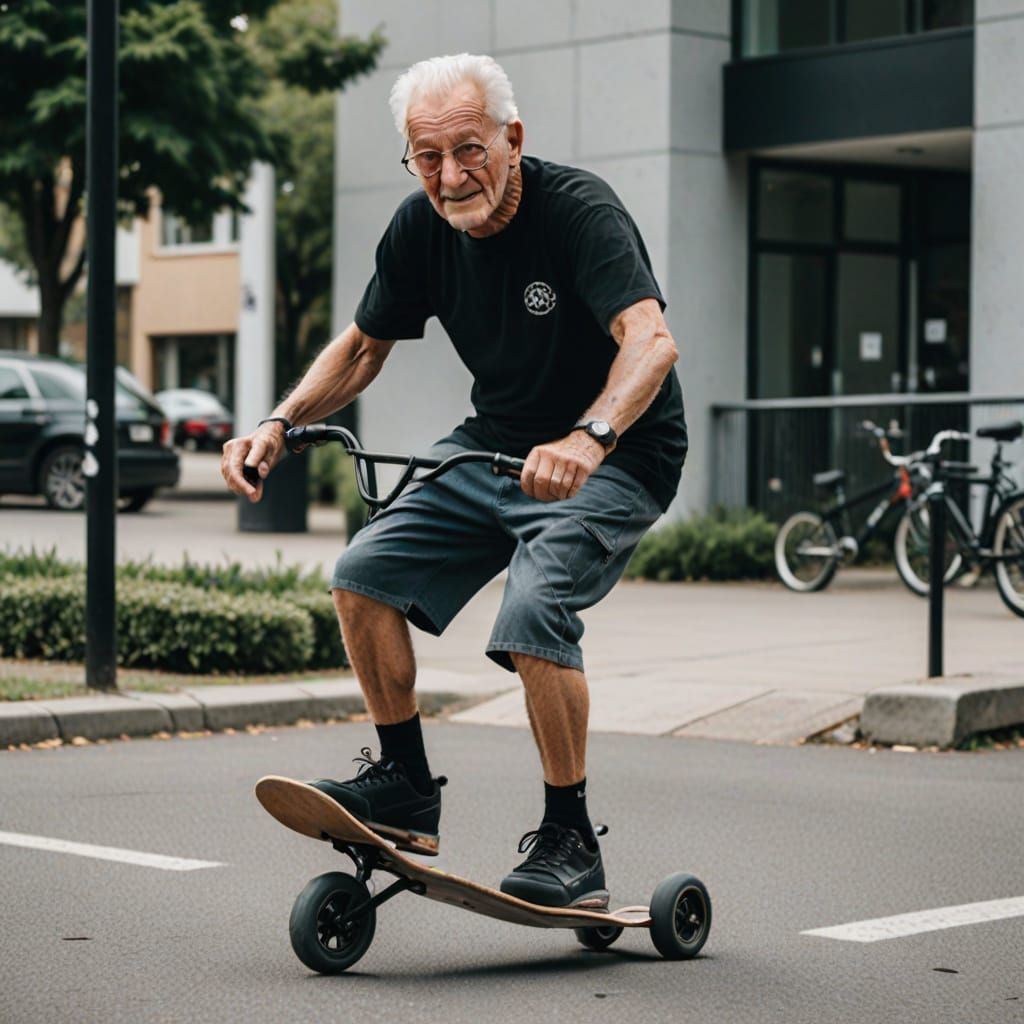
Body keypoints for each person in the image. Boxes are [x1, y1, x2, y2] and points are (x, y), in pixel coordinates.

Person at [222, 53, 687, 910]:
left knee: (532, 611)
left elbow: (649, 341)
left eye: (467, 150)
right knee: (362, 576)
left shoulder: (578, 211)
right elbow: (364, 346)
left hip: (618, 456)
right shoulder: (418, 228)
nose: (449, 175)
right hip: (493, 447)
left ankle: (570, 836)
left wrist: (589, 436)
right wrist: (280, 423)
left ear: (513, 139)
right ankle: (403, 785)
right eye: (426, 157)